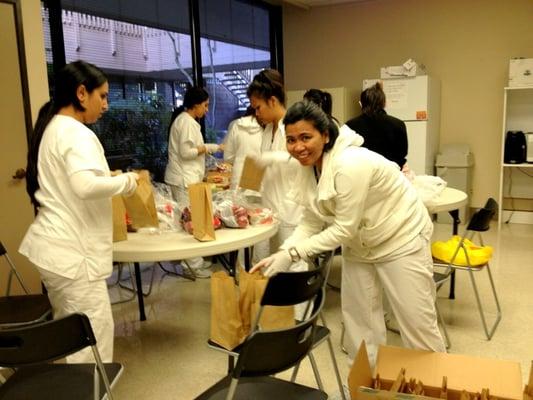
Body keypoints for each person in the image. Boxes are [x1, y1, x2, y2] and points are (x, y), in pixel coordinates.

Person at [251, 101, 446, 367]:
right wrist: (286, 253)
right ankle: (367, 389)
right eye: (292, 139)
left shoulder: (350, 164)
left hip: (401, 237)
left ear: (326, 135)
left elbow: (344, 227)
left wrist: (296, 252)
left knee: (416, 323)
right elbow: (310, 220)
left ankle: (435, 386)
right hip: (360, 245)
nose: (298, 147)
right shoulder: (306, 166)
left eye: (306, 137)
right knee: (359, 324)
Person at [19, 60, 139, 363]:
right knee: (92, 335)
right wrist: (126, 182)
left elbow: (74, 184)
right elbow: (84, 186)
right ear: (81, 93)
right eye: (103, 96)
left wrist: (107, 179)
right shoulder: (75, 132)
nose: (106, 105)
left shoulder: (54, 128)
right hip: (73, 255)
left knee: (73, 331)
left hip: (57, 251)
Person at [246, 69, 303, 262]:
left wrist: (272, 158)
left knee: (292, 262)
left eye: (258, 107)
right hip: (269, 206)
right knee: (265, 262)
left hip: (290, 208)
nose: (256, 113)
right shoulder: (268, 129)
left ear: (272, 101)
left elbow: (303, 160)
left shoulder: (293, 126)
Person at [164, 86, 220, 277]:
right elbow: (186, 153)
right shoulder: (186, 122)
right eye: (205, 105)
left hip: (185, 178)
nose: (206, 109)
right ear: (195, 105)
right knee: (189, 222)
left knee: (190, 220)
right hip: (182, 179)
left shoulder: (187, 121)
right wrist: (209, 147)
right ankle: (192, 266)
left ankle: (194, 262)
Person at [345, 82, 409, 170]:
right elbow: (402, 155)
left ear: (361, 104)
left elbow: (347, 154)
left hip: (361, 175)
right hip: (391, 175)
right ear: (384, 103)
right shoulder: (398, 124)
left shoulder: (349, 126)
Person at [223, 106, 263, 190]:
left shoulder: (236, 125)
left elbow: (228, 157)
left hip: (238, 178)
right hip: (259, 180)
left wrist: (240, 160)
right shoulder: (266, 127)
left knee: (237, 202)